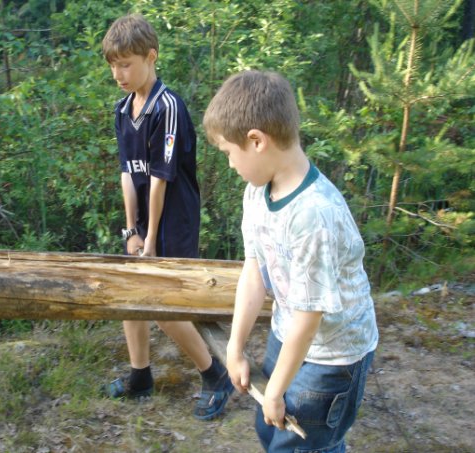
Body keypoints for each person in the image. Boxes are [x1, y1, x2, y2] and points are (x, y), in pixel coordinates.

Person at [202, 70, 379, 451]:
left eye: (229, 153)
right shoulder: (257, 193)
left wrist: (276, 390)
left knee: (302, 442)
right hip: (288, 333)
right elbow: (254, 273)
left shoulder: (315, 215)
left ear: (256, 141)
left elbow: (309, 318)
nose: (230, 165)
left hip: (333, 356)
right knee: (271, 430)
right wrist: (235, 347)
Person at [101, 13, 233, 421]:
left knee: (163, 305)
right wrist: (132, 231)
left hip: (174, 220)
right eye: (113, 65)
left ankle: (215, 375)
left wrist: (153, 238)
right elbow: (128, 174)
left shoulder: (168, 107)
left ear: (151, 57)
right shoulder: (123, 109)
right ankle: (140, 377)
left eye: (126, 64)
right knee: (131, 292)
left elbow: (160, 178)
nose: (118, 74)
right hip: (143, 220)